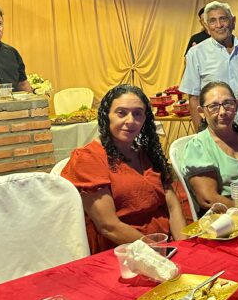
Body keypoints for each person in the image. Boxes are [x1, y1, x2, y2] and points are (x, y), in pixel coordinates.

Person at [62, 85, 187, 254]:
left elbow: (172, 207)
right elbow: (109, 226)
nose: (130, 121)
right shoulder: (89, 158)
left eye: (138, 113)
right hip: (122, 252)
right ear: (106, 116)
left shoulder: (147, 153)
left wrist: (183, 248)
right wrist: (158, 251)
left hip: (166, 246)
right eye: (121, 113)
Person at [180, 1, 238, 136]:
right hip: (215, 134)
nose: (219, 25)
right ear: (206, 26)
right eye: (212, 21)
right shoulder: (196, 54)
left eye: (223, 19)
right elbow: (194, 99)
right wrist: (201, 135)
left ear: (233, 22)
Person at [182, 81, 238, 211]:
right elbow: (209, 199)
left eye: (228, 104)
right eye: (214, 106)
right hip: (228, 217)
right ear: (201, 112)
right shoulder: (198, 147)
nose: (223, 112)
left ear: (236, 106)